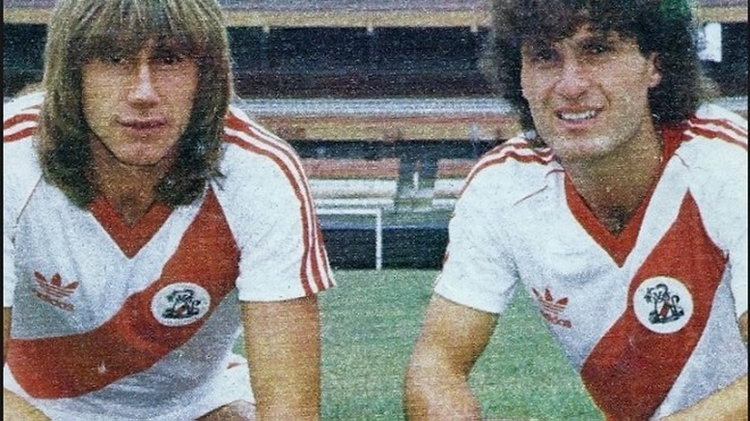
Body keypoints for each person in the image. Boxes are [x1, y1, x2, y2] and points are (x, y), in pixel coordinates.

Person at [404, 0, 747, 420]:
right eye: (545, 56)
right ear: (520, 77)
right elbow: (437, 365)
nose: (570, 85)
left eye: (597, 50)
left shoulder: (731, 167)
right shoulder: (502, 186)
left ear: (654, 65)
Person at [3, 0, 334, 420]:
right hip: (27, 400)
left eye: (169, 60)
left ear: (206, 77)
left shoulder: (260, 172)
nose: (143, 93)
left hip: (197, 403)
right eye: (114, 59)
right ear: (72, 75)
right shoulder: (10, 157)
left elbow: (291, 411)